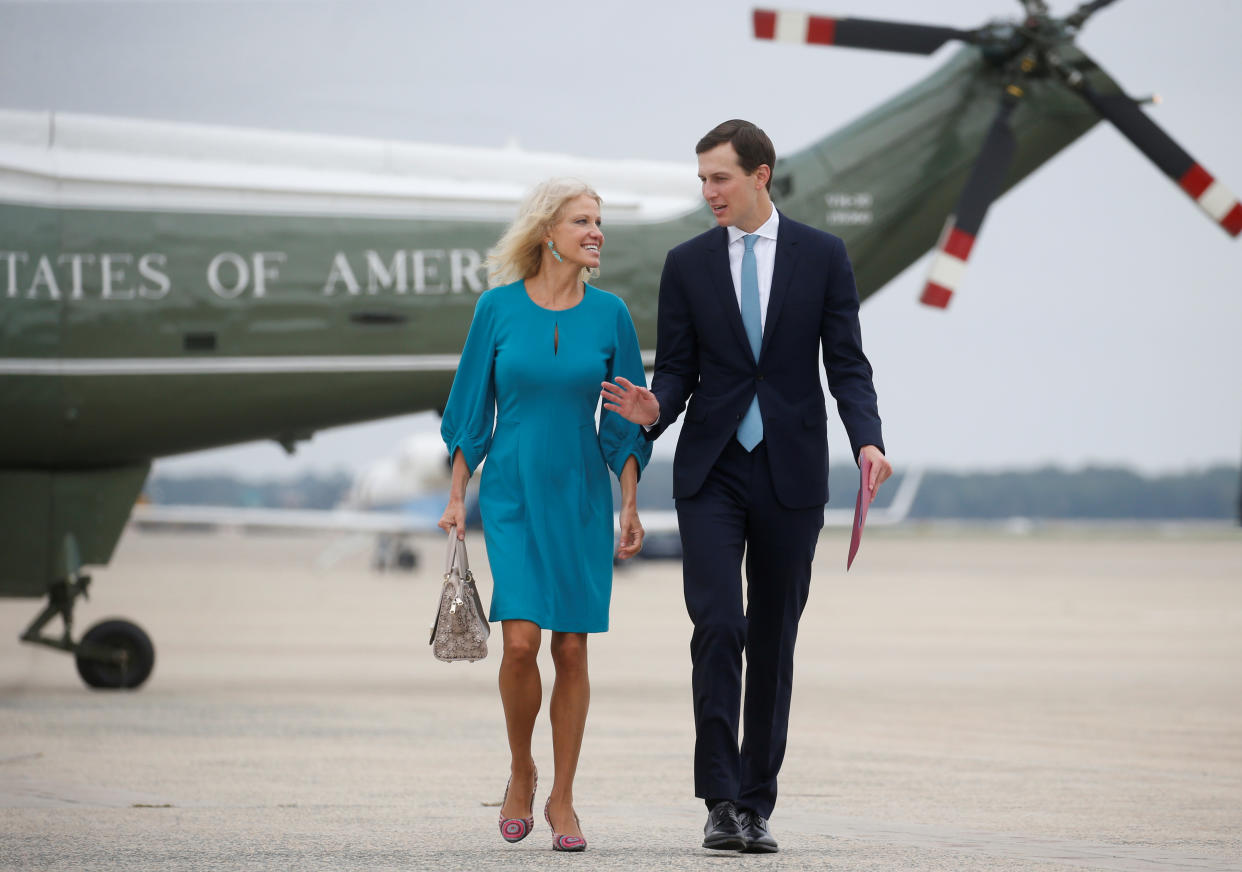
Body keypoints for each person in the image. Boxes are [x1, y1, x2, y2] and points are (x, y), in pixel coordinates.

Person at [602, 119, 892, 854]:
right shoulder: (688, 263)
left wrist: (868, 440)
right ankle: (720, 798)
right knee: (719, 625)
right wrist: (654, 407)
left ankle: (756, 802)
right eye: (702, 179)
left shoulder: (823, 257)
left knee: (772, 637)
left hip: (791, 472)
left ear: (761, 175)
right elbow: (676, 368)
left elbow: (847, 365)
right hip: (712, 470)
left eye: (720, 178)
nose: (708, 193)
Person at [439, 178, 651, 853]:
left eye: (599, 222)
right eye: (582, 221)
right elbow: (472, 409)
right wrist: (454, 494)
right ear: (546, 232)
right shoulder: (496, 310)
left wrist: (630, 502)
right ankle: (521, 770)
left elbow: (623, 421)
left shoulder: (611, 313)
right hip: (513, 492)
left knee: (571, 645)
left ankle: (563, 795)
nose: (596, 233)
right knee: (522, 642)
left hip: (581, 492)